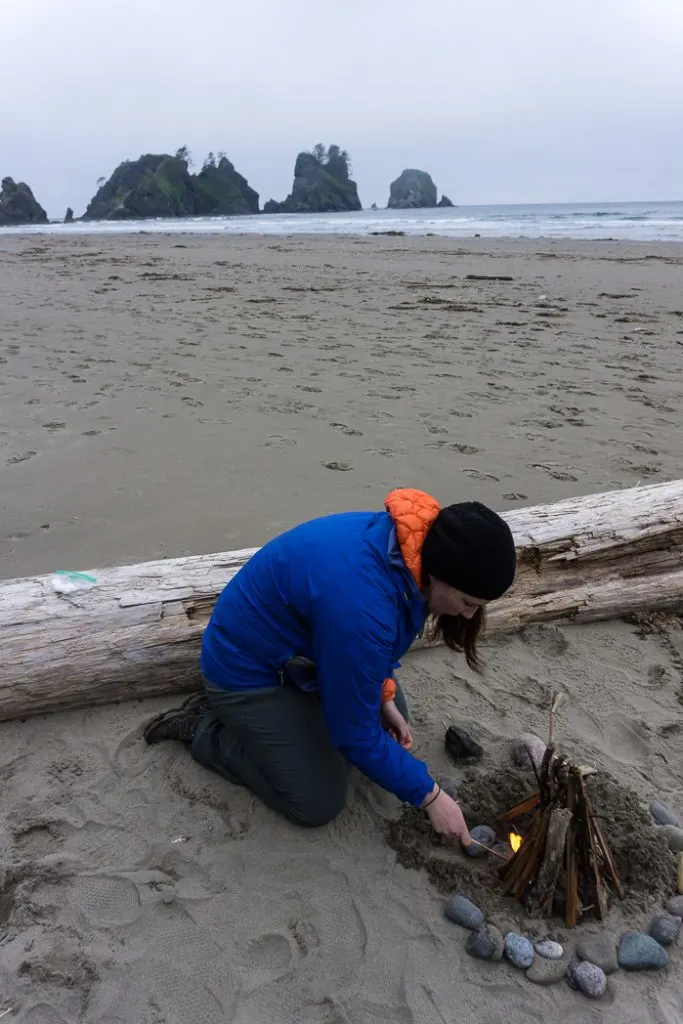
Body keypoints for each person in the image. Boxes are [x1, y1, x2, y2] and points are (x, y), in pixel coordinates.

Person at [143, 488, 516, 845]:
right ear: (437, 575)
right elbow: (353, 733)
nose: (470, 614)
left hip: (302, 653)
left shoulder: (411, 544)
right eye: (468, 602)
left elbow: (371, 646)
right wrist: (431, 797)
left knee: (393, 715)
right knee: (317, 800)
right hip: (246, 670)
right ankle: (206, 730)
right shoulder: (362, 606)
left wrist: (383, 693)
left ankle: (284, 728)